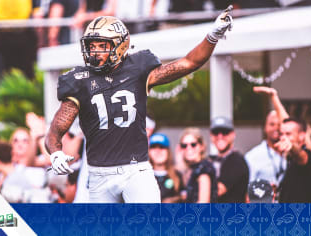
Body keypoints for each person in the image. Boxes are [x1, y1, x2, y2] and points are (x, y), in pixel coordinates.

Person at [45, 8, 233, 203]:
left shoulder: (138, 69)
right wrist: (56, 152)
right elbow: (55, 130)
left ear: (119, 46)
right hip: (99, 175)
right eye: (92, 46)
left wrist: (212, 37)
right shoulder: (79, 81)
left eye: (102, 45)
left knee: (149, 225)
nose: (95, 52)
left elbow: (189, 63)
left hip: (136, 171)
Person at [0, 0, 44, 79]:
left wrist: (40, 40)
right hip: (4, 38)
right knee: (8, 74)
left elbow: (38, 16)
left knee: (27, 73)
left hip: (25, 37)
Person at [276, 118, 311, 203]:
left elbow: (299, 154)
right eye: (281, 134)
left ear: (302, 136)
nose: (283, 138)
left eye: (288, 134)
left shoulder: (308, 156)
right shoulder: (290, 159)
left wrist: (291, 146)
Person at [209, 116, 249, 203]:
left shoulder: (236, 160)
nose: (220, 136)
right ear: (211, 135)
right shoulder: (212, 159)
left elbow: (217, 191)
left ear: (233, 134)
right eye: (216, 132)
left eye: (225, 132)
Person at [244, 110, 286, 192]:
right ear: (265, 128)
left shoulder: (292, 155)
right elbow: (247, 190)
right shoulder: (252, 156)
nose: (276, 128)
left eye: (279, 124)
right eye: (272, 124)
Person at [177, 128, 217, 203]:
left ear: (202, 147)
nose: (188, 148)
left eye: (193, 144)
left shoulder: (203, 170)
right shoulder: (192, 169)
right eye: (184, 145)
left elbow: (203, 204)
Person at [149, 133, 183, 203]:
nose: (158, 151)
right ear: (149, 152)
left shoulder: (177, 176)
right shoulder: (143, 177)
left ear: (168, 151)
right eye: (154, 147)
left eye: (161, 147)